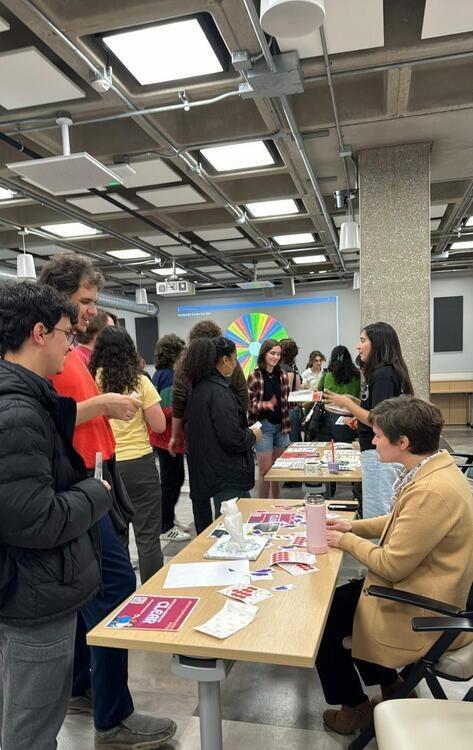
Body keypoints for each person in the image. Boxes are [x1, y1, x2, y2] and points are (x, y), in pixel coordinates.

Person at [38, 254, 176, 749]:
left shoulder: (71, 352)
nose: (92, 311)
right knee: (115, 583)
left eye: (94, 302)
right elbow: (46, 416)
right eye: (85, 302)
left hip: (94, 481)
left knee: (86, 592)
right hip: (75, 487)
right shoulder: (47, 353)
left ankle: (84, 688)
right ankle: (113, 714)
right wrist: (104, 405)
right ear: (58, 299)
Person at [316, 395, 473, 735]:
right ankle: (392, 687)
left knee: (322, 626)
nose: (372, 440)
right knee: (341, 605)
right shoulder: (433, 470)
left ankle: (355, 708)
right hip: (420, 589)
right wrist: (351, 526)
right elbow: (399, 522)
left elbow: (391, 566)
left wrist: (344, 541)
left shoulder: (432, 491)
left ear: (403, 442)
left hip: (424, 609)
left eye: (378, 435)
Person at [0, 282, 112, 750]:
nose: (74, 343)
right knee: (32, 728)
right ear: (40, 333)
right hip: (34, 596)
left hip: (28, 588)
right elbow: (36, 520)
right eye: (68, 332)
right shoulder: (18, 412)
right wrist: (96, 491)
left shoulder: (31, 401)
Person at [90, 326, 167, 583]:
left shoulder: (90, 380)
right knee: (147, 536)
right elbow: (159, 426)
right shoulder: (140, 381)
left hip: (107, 466)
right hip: (140, 464)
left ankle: (121, 600)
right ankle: (152, 597)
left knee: (115, 536)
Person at [325, 322, 413, 518]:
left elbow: (378, 420)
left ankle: (377, 548)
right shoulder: (385, 373)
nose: (358, 346)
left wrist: (347, 404)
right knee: (379, 506)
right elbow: (376, 409)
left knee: (377, 511)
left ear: (378, 344)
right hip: (378, 451)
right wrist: (355, 407)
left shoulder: (383, 375)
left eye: (363, 341)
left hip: (379, 453)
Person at [170, 320, 248, 530]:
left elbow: (178, 403)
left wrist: (175, 435)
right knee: (224, 490)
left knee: (200, 492)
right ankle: (222, 533)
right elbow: (242, 393)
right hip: (222, 438)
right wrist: (242, 426)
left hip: (194, 437)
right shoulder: (224, 372)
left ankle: (204, 536)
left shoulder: (185, 366)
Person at [182, 336, 261, 533]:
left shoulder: (198, 388)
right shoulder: (219, 393)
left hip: (207, 468)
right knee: (234, 529)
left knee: (215, 531)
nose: (235, 365)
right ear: (225, 360)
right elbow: (232, 438)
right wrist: (253, 435)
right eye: (234, 359)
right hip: (226, 473)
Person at [150, 333, 190, 542]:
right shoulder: (168, 377)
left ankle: (169, 518)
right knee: (171, 482)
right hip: (167, 439)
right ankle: (165, 525)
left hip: (163, 439)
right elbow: (168, 410)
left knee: (173, 480)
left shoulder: (160, 374)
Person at [247, 339, 290, 498]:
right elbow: (249, 405)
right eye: (272, 353)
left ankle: (276, 502)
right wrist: (266, 405)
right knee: (265, 470)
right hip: (263, 427)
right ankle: (262, 505)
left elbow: (285, 402)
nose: (276, 357)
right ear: (264, 353)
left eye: (278, 354)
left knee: (277, 471)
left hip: (281, 426)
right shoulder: (254, 375)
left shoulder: (283, 375)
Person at [313, 345, 360, 443]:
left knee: (326, 451)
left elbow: (317, 394)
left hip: (325, 417)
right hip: (348, 418)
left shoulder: (327, 376)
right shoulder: (357, 377)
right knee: (345, 451)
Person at [280, 338, 302, 442]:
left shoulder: (274, 368)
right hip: (290, 409)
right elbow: (289, 394)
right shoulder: (290, 370)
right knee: (293, 443)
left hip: (277, 410)